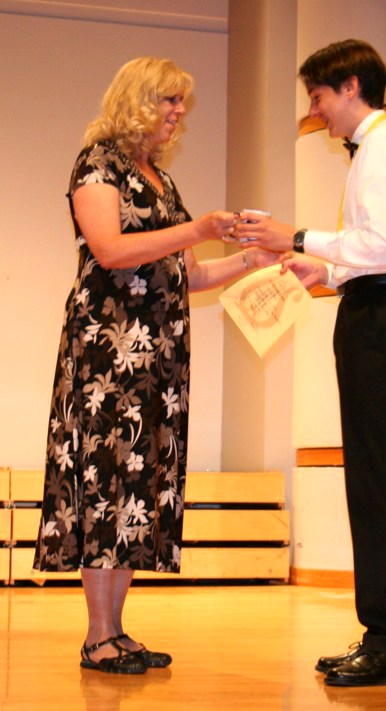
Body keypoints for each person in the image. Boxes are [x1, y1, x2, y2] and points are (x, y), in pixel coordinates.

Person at [33, 56, 276, 675]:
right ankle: (97, 637)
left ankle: (117, 630)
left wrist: (253, 261)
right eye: (169, 101)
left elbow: (191, 275)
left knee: (137, 487)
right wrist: (198, 228)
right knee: (105, 483)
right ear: (138, 101)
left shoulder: (160, 180)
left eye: (180, 103)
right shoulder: (98, 164)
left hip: (158, 362)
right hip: (109, 355)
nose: (178, 113)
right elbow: (111, 250)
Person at [235, 39, 386, 687]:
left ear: (350, 86)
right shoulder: (379, 149)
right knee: (376, 479)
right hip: (377, 309)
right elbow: (378, 250)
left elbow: (385, 245)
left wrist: (294, 236)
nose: (315, 110)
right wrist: (322, 271)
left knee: (376, 482)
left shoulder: (383, 148)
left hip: (384, 316)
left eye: (318, 96)